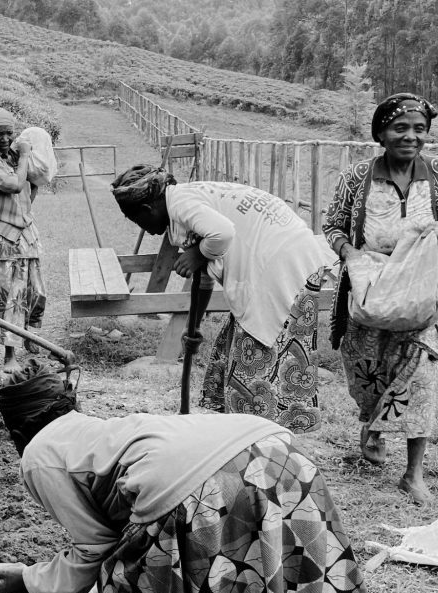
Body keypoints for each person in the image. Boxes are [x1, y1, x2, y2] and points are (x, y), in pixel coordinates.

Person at [0, 364, 411, 593]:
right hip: (279, 456)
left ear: (17, 430)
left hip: (208, 496)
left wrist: (28, 582)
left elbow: (94, 550)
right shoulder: (95, 429)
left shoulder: (37, 455)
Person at [111, 166, 335, 432]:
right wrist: (193, 328)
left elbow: (223, 233)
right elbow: (204, 278)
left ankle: (257, 435)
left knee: (256, 363)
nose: (145, 230)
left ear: (148, 209)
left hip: (281, 267)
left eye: (136, 221)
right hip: (290, 261)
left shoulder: (181, 204)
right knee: (235, 355)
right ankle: (251, 430)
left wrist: (197, 254)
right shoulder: (184, 206)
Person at [323, 93, 438, 505]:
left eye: (419, 129)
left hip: (420, 290)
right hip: (370, 290)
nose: (411, 136)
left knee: (422, 376)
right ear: (381, 133)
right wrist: (351, 255)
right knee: (368, 372)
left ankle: (413, 473)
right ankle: (373, 423)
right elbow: (332, 225)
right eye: (401, 128)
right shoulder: (358, 176)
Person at [0, 106, 46, 373]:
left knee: (35, 292)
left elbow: (29, 187)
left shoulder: (14, 158)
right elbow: (15, 185)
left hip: (25, 233)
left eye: (8, 133)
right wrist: (25, 155)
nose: (4, 139)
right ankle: (9, 354)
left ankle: (27, 335)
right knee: (10, 299)